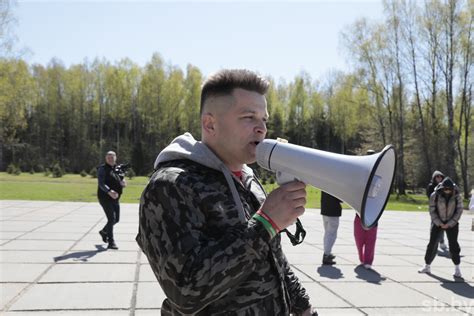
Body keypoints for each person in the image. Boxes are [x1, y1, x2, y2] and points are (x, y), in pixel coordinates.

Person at [136, 69, 317, 315]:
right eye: (249, 117)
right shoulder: (170, 186)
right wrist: (266, 223)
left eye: (264, 119)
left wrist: (304, 307)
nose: (261, 128)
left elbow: (273, 259)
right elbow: (185, 292)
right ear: (210, 124)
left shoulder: (249, 180)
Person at [419, 177, 463, 278]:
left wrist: (450, 223)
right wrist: (439, 223)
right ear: (442, 188)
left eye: (449, 189)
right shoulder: (435, 195)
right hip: (438, 222)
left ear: (452, 189)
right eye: (445, 189)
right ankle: (427, 265)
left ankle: (457, 268)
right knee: (432, 243)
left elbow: (459, 210)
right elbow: (432, 210)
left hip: (452, 223)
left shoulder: (457, 195)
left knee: (453, 245)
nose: (447, 191)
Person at [353, 149, 378, 270]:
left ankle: (368, 261)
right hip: (359, 213)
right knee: (359, 239)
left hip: (373, 213)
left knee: (370, 240)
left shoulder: (378, 175)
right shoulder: (361, 174)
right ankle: (362, 258)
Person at [97, 151, 126, 250]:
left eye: (112, 157)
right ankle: (111, 242)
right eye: (108, 157)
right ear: (106, 158)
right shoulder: (102, 169)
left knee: (116, 219)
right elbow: (101, 183)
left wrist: (123, 182)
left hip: (115, 198)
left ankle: (104, 231)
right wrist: (109, 191)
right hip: (105, 197)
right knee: (111, 219)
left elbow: (120, 179)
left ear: (115, 158)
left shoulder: (117, 168)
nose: (110, 158)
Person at [426, 170, 448, 251]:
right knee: (434, 226)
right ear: (434, 178)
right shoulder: (431, 186)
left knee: (442, 226)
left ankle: (441, 242)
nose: (439, 178)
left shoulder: (445, 186)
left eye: (440, 176)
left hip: (443, 209)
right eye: (437, 176)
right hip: (434, 209)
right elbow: (430, 197)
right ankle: (433, 243)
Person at [320, 191, 342, 265]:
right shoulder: (336, 183)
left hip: (325, 209)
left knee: (327, 233)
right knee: (331, 235)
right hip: (333, 211)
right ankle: (326, 254)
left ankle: (327, 252)